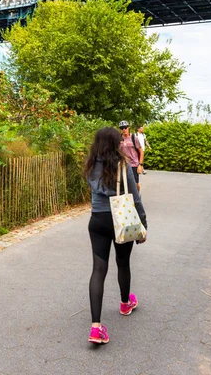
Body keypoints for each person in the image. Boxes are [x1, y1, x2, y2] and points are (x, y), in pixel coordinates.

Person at [85, 127, 147, 345]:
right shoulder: (121, 164)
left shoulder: (90, 164)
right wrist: (143, 225)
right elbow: (135, 197)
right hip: (121, 219)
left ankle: (95, 328)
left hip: (98, 220)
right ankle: (124, 303)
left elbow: (92, 189)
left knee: (98, 270)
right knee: (123, 263)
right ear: (115, 143)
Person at [119, 120, 144, 192]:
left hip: (133, 164)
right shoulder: (119, 139)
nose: (124, 129)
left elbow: (141, 151)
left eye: (125, 127)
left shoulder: (134, 138)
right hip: (123, 164)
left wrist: (140, 165)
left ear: (128, 128)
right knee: (123, 184)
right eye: (122, 128)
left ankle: (137, 197)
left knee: (135, 184)